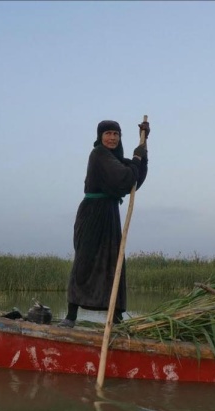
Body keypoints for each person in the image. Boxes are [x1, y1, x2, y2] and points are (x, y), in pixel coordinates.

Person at [58, 119, 150, 328]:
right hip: (92, 213)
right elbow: (123, 178)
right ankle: (71, 316)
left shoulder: (116, 159)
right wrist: (136, 158)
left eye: (116, 134)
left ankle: (116, 318)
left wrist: (143, 149)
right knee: (85, 260)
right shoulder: (99, 154)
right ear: (100, 137)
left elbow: (134, 180)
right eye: (108, 133)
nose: (112, 138)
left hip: (109, 213)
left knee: (113, 261)